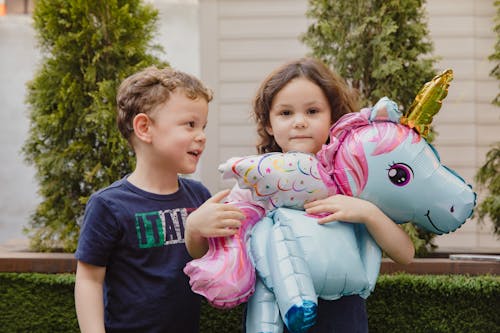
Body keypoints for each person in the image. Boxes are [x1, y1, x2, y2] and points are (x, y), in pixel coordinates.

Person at [228, 57, 414, 332]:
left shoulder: (351, 178)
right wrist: (198, 229)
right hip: (274, 317)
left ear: (333, 118)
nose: (300, 122)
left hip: (343, 318)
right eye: (286, 113)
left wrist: (367, 213)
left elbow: (405, 253)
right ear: (268, 123)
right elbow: (224, 246)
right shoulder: (256, 180)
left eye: (313, 111)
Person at [74, 66, 245, 333]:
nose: (201, 135)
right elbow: (89, 280)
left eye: (202, 126)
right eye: (190, 124)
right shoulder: (109, 205)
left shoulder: (200, 196)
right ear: (144, 128)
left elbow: (214, 261)